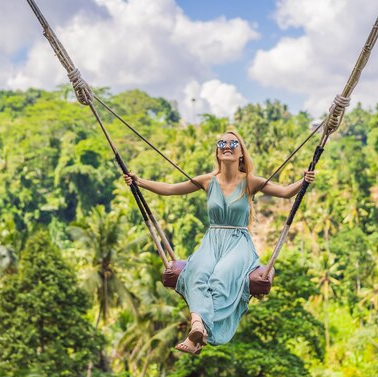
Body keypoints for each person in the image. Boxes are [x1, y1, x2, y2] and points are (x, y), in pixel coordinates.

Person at [124, 131, 315, 354]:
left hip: (238, 243)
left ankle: (198, 331)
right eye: (221, 142)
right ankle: (197, 326)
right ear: (217, 151)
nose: (227, 145)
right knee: (196, 272)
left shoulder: (250, 182)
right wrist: (139, 182)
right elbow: (170, 189)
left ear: (241, 152)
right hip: (213, 241)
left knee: (222, 276)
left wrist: (304, 181)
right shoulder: (207, 180)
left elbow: (284, 193)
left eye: (233, 143)